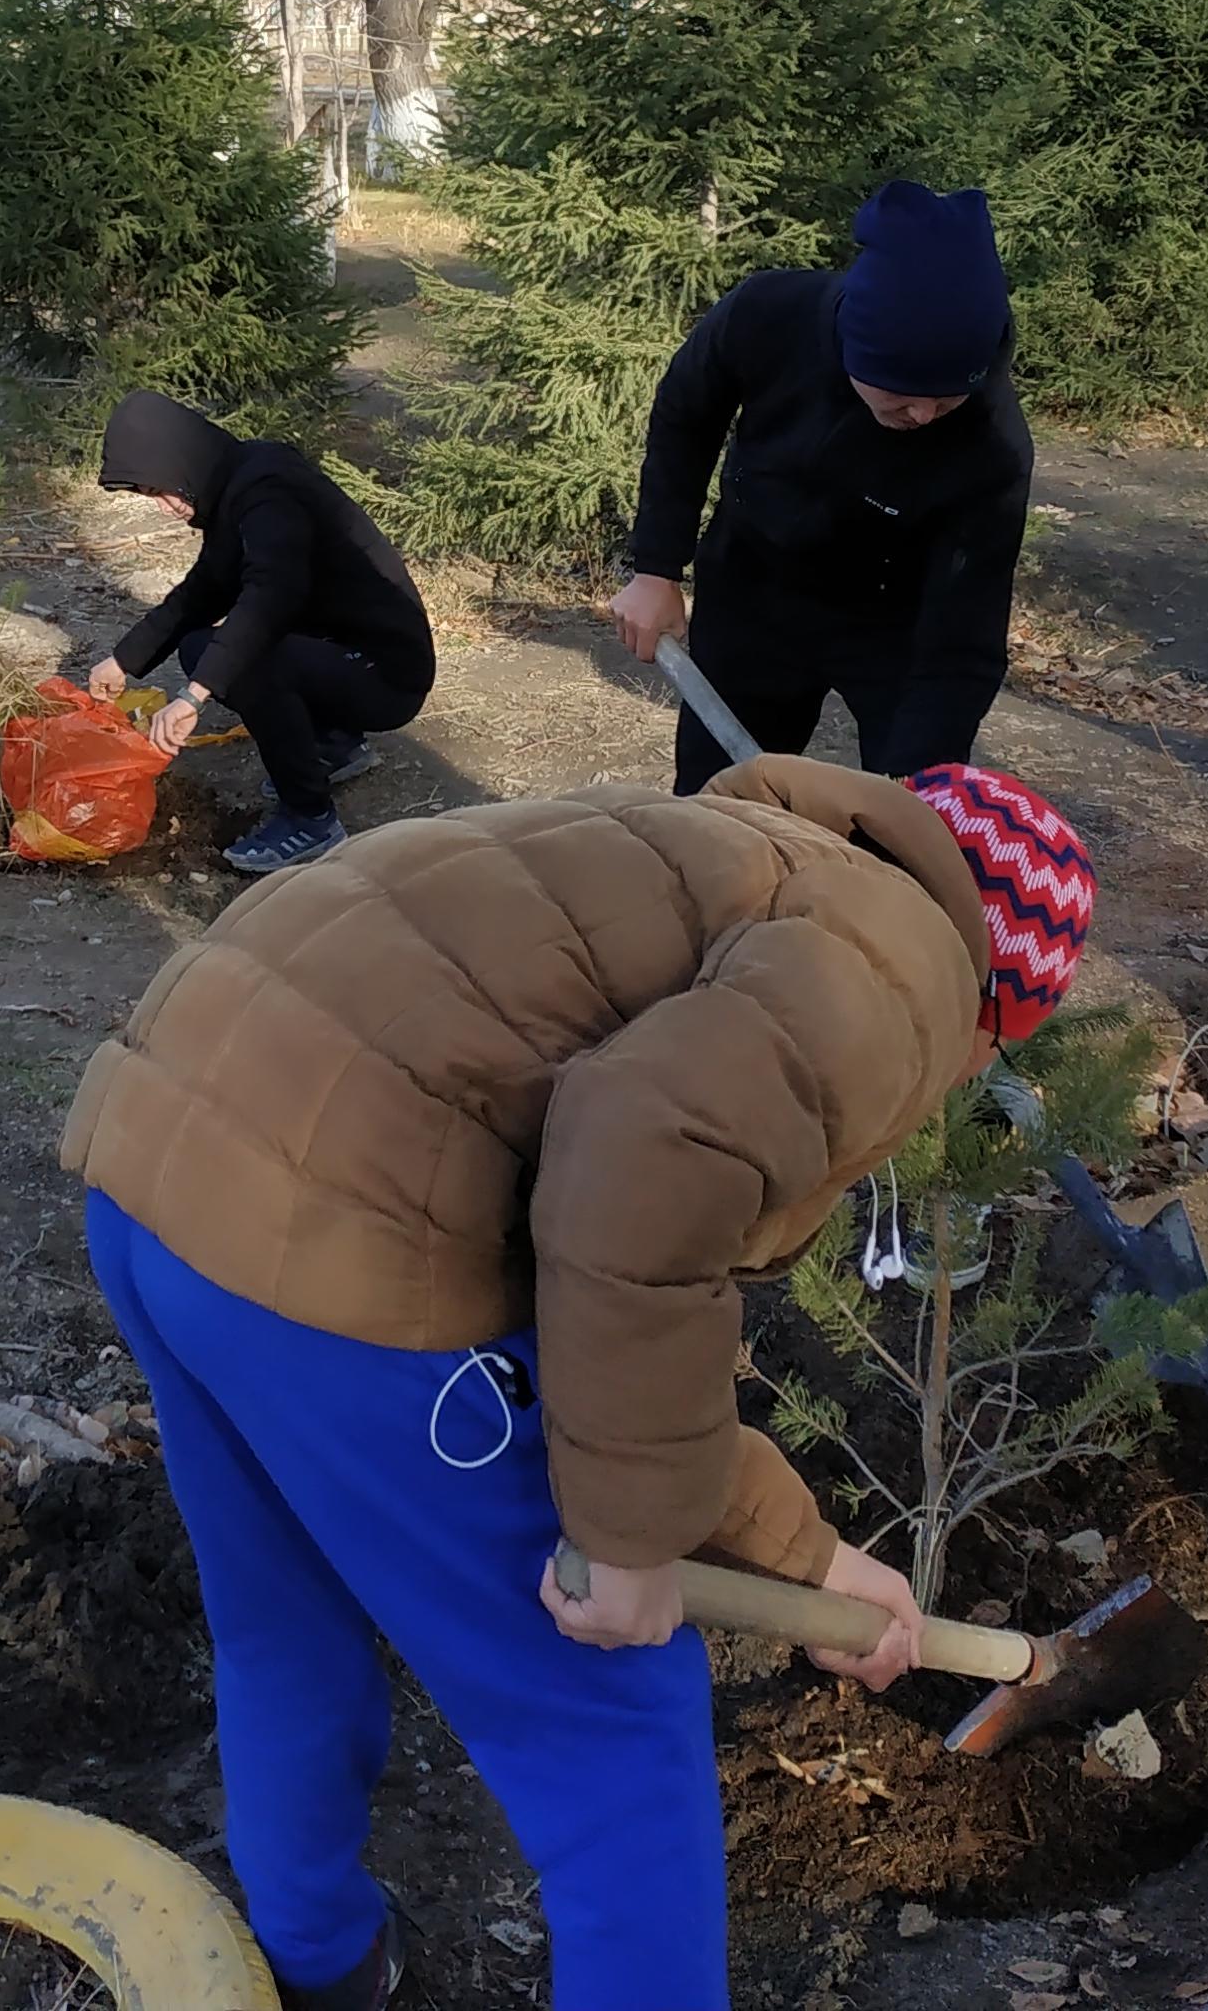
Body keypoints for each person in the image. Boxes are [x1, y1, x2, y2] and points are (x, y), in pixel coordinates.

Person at [62, 753, 1099, 2009]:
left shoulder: (722, 846)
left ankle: (318, 1959)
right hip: (341, 1240)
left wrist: (812, 1560)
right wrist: (628, 1540)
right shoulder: (902, 966)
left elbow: (624, 1299)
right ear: (1003, 1007)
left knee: (284, 1614)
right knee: (614, 1737)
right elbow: (637, 1179)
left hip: (159, 1160)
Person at [608, 180, 1034, 793]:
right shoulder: (768, 314)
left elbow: (965, 633)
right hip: (755, 584)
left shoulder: (992, 443)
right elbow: (685, 412)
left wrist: (918, 793)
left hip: (897, 617)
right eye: (901, 396)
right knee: (719, 809)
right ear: (855, 347)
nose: (921, 417)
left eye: (945, 400)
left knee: (911, 818)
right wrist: (655, 567)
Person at [84, 388, 435, 876]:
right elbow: (204, 591)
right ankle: (336, 744)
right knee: (200, 646)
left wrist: (193, 697)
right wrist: (124, 660)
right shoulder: (237, 487)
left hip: (387, 672)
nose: (163, 508)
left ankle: (310, 819)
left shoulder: (268, 490)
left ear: (181, 458)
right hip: (346, 653)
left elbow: (271, 596)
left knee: (245, 661)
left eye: (159, 489)